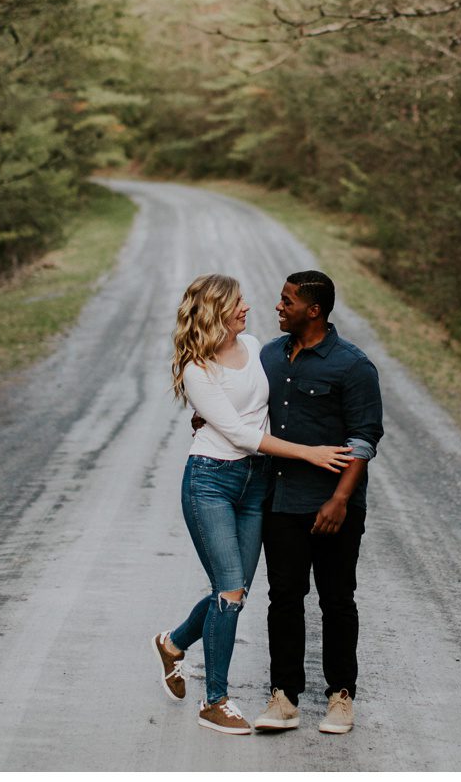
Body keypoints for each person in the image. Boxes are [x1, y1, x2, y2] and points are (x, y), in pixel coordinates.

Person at [152, 274, 352, 736]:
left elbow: (272, 402)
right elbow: (241, 434)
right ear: (217, 310)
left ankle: (173, 643)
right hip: (211, 482)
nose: (249, 308)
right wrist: (309, 452)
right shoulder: (197, 368)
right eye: (239, 302)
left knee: (235, 591)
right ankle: (214, 700)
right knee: (229, 590)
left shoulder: (259, 348)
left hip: (256, 484)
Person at [250, 270, 383, 737]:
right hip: (280, 499)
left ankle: (341, 696)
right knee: (284, 598)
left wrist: (341, 500)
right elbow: (247, 410)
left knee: (337, 599)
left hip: (334, 507)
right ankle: (284, 697)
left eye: (287, 301)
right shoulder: (269, 355)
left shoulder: (353, 366)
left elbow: (364, 440)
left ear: (314, 310)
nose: (278, 307)